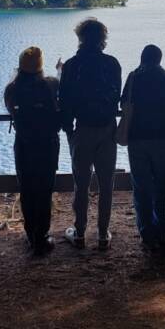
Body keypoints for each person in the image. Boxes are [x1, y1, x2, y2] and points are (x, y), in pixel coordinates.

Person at [58, 18, 122, 250]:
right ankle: (103, 233)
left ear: (81, 37)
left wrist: (69, 129)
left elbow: (64, 100)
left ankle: (80, 232)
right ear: (102, 39)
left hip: (82, 129)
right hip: (107, 129)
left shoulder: (72, 66)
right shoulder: (112, 64)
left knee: (81, 183)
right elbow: (117, 97)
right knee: (107, 184)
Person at [120, 44, 165, 253]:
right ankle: (161, 229)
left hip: (137, 138)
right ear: (159, 59)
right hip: (163, 138)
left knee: (142, 186)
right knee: (160, 185)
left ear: (142, 58)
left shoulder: (134, 77)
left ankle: (146, 231)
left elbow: (123, 103)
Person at [5, 47, 62, 255]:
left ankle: (31, 234)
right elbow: (59, 93)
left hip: (24, 144)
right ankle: (42, 235)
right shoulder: (51, 84)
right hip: (47, 144)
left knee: (27, 190)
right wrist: (59, 71)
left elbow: (11, 110)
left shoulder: (12, 88)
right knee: (45, 189)